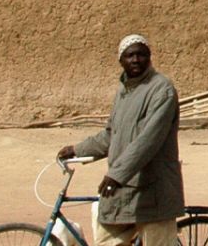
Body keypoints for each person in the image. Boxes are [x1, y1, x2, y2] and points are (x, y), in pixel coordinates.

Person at [56, 35, 184, 246]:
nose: (135, 60)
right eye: (130, 55)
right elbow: (111, 134)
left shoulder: (162, 90)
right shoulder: (123, 91)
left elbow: (148, 140)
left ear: (149, 57)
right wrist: (77, 149)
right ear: (121, 60)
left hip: (154, 192)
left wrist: (116, 175)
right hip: (124, 191)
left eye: (141, 54)